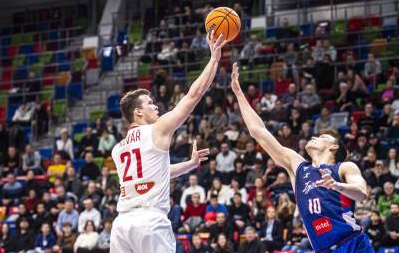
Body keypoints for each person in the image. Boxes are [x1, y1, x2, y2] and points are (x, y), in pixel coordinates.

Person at [230, 62, 373, 252]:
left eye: (322, 136)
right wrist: (239, 93)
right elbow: (258, 131)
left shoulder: (344, 168)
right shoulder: (298, 167)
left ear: (333, 147)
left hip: (353, 243)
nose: (314, 137)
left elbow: (361, 192)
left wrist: (338, 186)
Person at [109, 31, 226, 253]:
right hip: (150, 220)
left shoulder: (118, 149)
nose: (155, 106)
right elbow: (193, 96)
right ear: (138, 112)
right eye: (149, 103)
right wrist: (214, 59)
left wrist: (190, 165)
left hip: (122, 225)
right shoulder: (158, 129)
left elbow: (155, 172)